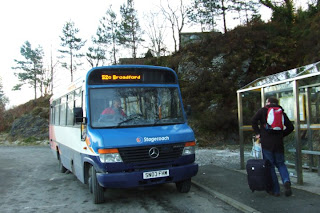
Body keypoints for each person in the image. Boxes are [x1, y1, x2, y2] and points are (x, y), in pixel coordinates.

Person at [251, 97, 294, 197]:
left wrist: (259, 133)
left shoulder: (263, 110)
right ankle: (286, 181)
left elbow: (253, 121)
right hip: (278, 143)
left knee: (270, 166)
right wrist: (281, 135)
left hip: (267, 143)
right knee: (281, 164)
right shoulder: (281, 112)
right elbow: (291, 127)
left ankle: (276, 190)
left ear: (268, 102)